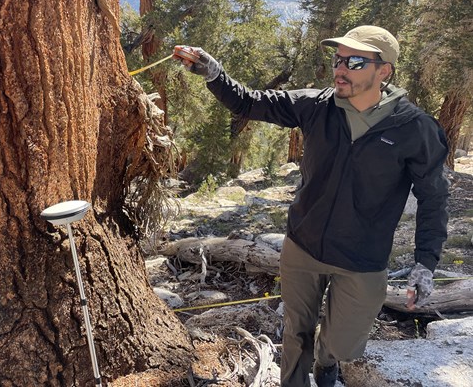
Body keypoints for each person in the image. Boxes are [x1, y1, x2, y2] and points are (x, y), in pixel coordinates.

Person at [173, 26, 449, 387]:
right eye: (338, 59)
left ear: (384, 72)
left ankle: (327, 361)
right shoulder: (317, 106)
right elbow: (249, 102)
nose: (340, 69)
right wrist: (214, 73)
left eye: (354, 61)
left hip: (362, 259)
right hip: (303, 246)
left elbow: (434, 197)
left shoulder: (416, 128)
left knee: (343, 343)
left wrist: (425, 262)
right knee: (295, 334)